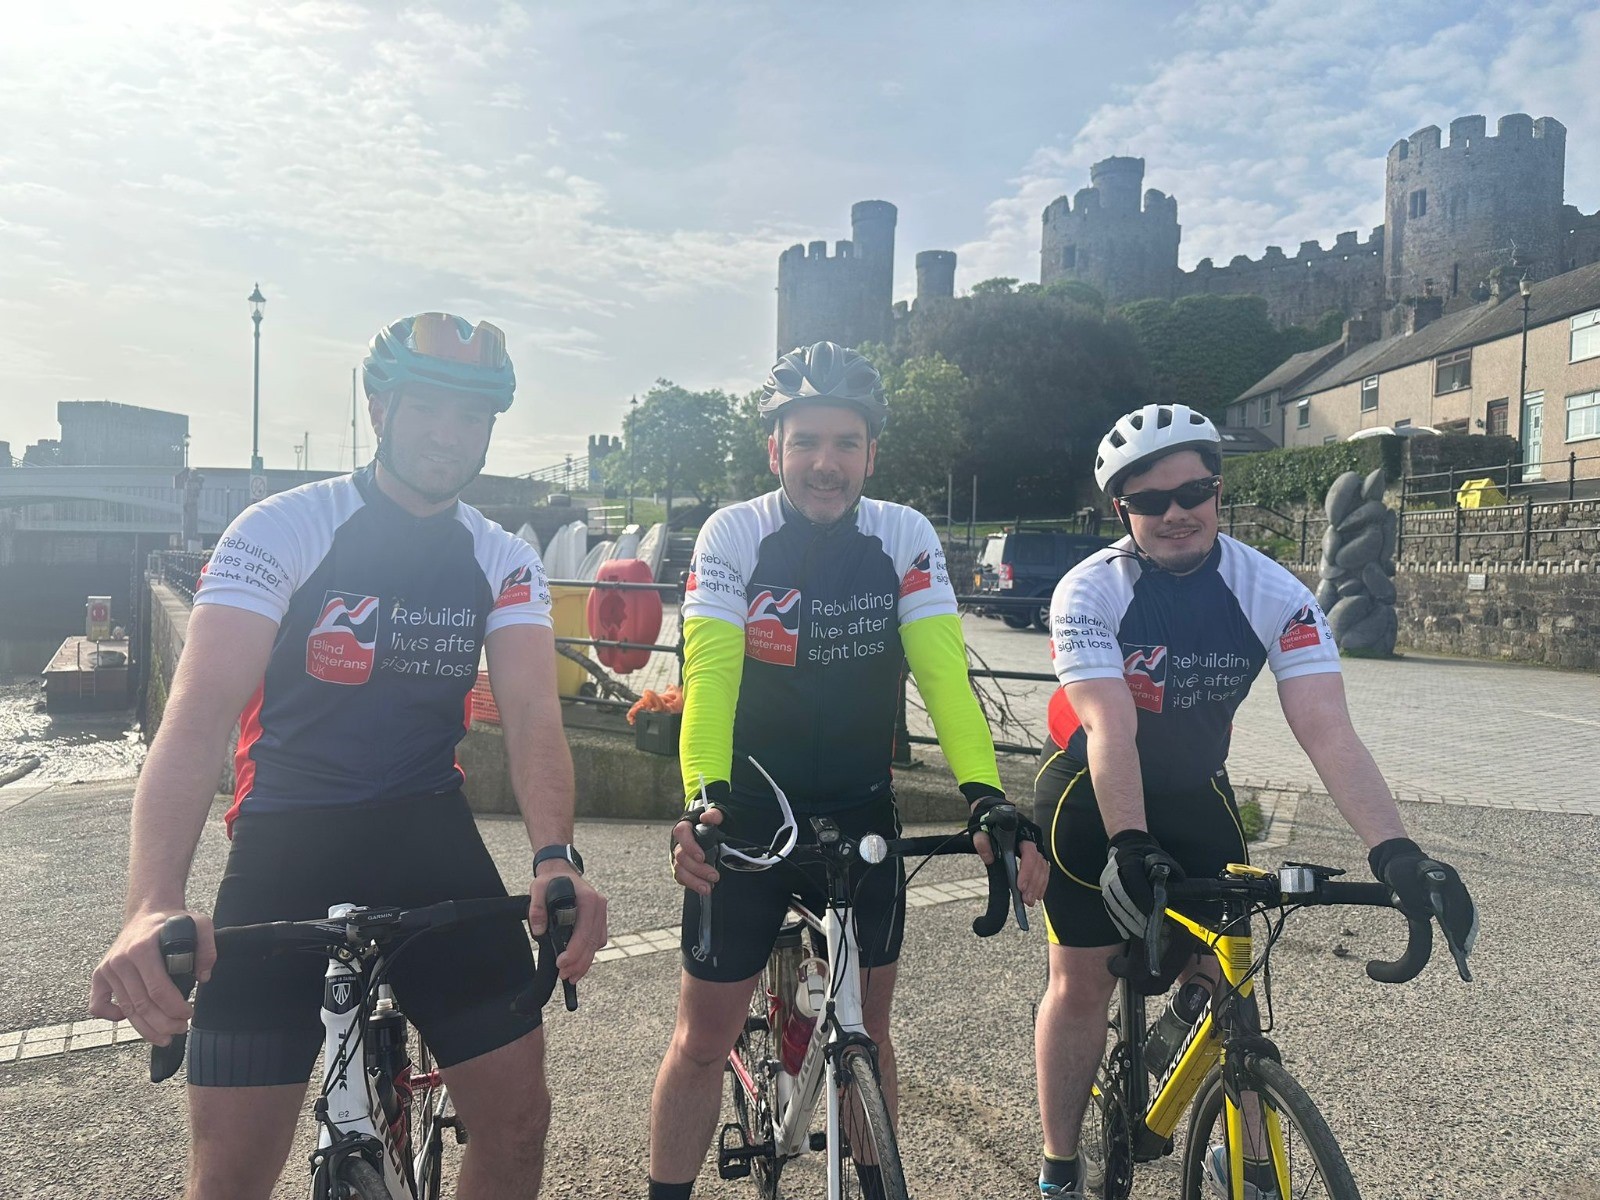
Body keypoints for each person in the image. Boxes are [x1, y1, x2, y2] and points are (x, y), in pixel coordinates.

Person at [89, 312, 608, 1200]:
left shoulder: (501, 558)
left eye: (473, 416)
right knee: (229, 1178)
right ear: (379, 406)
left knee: (519, 1126)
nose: (451, 434)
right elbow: (199, 712)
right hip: (286, 836)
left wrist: (556, 857)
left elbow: (529, 717)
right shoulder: (283, 529)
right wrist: (152, 903)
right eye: (430, 408)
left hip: (426, 832)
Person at [1031, 403, 1477, 1199]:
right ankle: (1060, 1168)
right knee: (1083, 980)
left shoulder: (1271, 588)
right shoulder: (1089, 591)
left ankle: (1214, 1095)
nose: (1177, 514)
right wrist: (1130, 843)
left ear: (1218, 490)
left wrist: (1397, 853)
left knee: (1225, 971)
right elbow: (1110, 726)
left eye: (1193, 492)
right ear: (1120, 511)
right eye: (1151, 501)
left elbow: (1328, 731)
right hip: (1094, 804)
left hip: (1197, 793)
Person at [646, 341, 1049, 1199]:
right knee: (703, 1038)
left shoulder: (901, 534)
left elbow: (944, 675)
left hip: (862, 809)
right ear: (775, 450)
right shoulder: (736, 533)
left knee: (868, 1028)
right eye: (806, 442)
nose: (825, 463)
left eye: (845, 443)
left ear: (871, 452)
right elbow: (709, 676)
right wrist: (704, 797)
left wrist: (985, 794)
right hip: (748, 811)